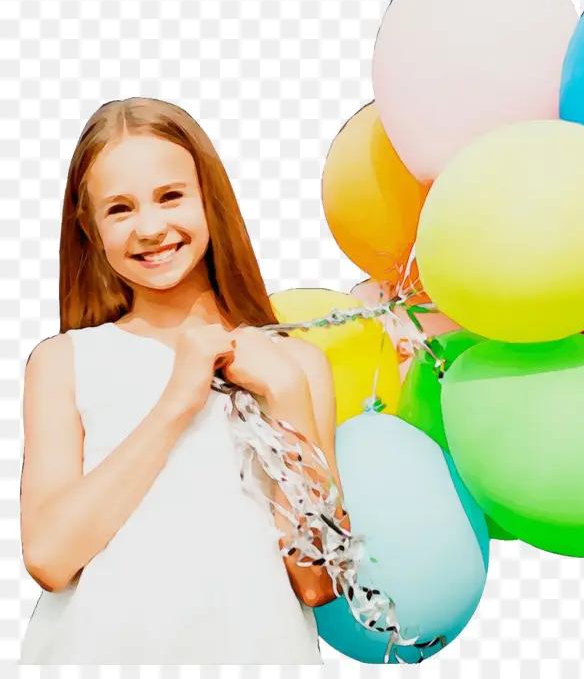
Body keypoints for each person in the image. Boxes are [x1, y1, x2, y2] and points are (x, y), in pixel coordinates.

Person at [18, 97, 344, 665]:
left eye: (171, 196)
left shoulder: (294, 366)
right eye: (119, 209)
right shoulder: (64, 362)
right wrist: (176, 400)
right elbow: (48, 556)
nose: (150, 227)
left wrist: (287, 396)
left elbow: (316, 581)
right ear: (90, 229)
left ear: (208, 201)